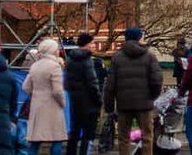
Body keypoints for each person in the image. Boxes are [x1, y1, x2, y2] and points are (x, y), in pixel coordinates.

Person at [103, 26, 162, 155]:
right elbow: (157, 80)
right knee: (147, 137)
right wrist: (152, 96)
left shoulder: (117, 57)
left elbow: (110, 85)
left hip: (124, 104)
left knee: (123, 138)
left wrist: (109, 107)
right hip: (144, 104)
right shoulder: (149, 56)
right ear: (139, 38)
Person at [23, 37, 68, 155]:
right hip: (53, 107)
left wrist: (36, 95)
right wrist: (63, 103)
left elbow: (26, 87)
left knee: (35, 140)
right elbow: (57, 91)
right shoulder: (55, 66)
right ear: (53, 51)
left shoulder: (35, 66)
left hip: (37, 106)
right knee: (56, 138)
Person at [64, 32, 100, 155]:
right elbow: (92, 83)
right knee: (88, 133)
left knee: (74, 131)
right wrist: (98, 100)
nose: (94, 46)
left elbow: (67, 82)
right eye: (92, 43)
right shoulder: (87, 60)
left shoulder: (69, 59)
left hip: (75, 100)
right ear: (86, 44)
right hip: (89, 102)